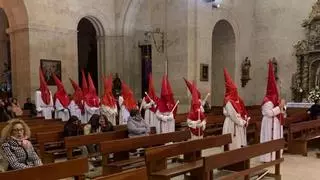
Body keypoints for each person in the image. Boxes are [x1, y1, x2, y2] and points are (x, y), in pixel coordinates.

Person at [260, 61, 285, 163]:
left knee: (275, 139)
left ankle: (275, 156)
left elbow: (280, 110)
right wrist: (280, 107)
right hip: (269, 122)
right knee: (269, 139)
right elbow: (269, 113)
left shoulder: (275, 99)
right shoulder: (267, 101)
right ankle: (267, 157)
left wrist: (282, 108)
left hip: (275, 123)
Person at [222, 69, 249, 150]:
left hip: (236, 123)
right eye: (234, 90)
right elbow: (233, 115)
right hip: (231, 123)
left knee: (237, 143)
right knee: (232, 143)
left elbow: (239, 111)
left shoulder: (234, 100)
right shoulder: (228, 101)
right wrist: (242, 122)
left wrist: (243, 119)